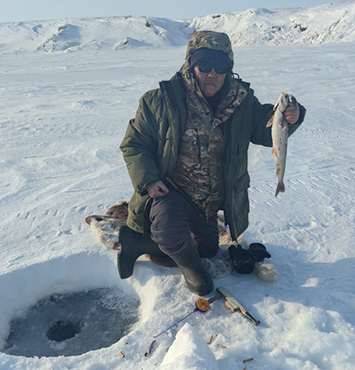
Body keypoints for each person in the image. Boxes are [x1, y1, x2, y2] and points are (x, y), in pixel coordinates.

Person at [118, 30, 306, 296]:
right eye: (204, 65)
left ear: (229, 69)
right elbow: (134, 143)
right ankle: (191, 267)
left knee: (207, 248)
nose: (212, 73)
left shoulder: (241, 102)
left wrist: (289, 116)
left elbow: (265, 128)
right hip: (171, 191)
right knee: (169, 229)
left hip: (209, 201)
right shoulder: (160, 100)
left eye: (221, 66)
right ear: (190, 64)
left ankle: (139, 243)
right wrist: (148, 179)